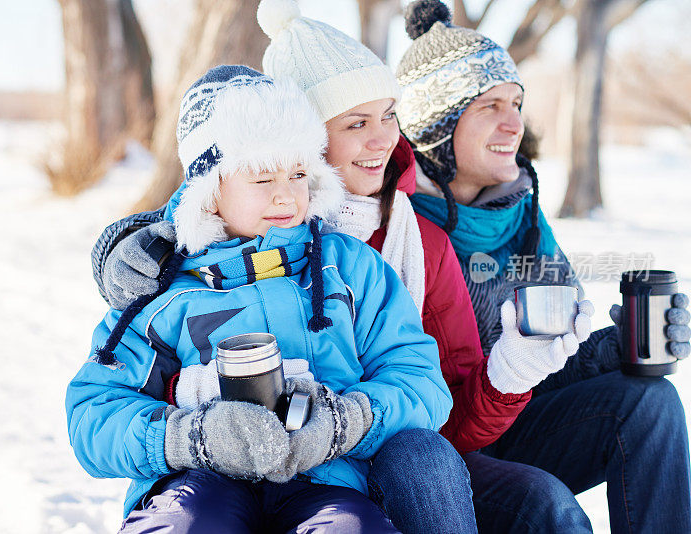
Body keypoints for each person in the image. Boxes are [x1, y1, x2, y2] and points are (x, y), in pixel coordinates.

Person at [88, 1, 596, 532]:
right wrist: (187, 415)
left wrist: (510, 372)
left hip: (355, 464)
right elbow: (108, 390)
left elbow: (430, 392)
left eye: (389, 117)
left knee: (492, 481)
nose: (384, 140)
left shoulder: (394, 249)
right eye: (357, 122)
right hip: (210, 479)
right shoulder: (180, 258)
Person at [66, 64, 455, 534]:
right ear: (211, 190)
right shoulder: (164, 289)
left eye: (296, 174)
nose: (286, 196)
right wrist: (189, 438)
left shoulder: (350, 268)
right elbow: (95, 410)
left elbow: (418, 378)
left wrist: (345, 421)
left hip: (327, 479)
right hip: (197, 482)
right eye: (261, 178)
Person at [394, 1, 691, 532]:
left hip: (517, 420)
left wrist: (613, 346)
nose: (514, 123)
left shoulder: (522, 212)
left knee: (651, 400)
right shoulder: (399, 232)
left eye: (517, 102)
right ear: (437, 127)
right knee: (545, 500)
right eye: (490, 106)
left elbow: (549, 359)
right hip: (438, 452)